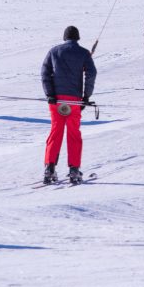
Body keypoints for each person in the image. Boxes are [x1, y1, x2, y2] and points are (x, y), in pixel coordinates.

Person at [40, 25, 96, 184]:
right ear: (77, 38)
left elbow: (45, 73)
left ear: (65, 37)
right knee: (73, 134)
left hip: (56, 101)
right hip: (74, 101)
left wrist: (49, 94)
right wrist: (86, 96)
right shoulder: (84, 53)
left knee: (55, 132)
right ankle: (74, 170)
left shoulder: (54, 51)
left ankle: (49, 169)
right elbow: (92, 74)